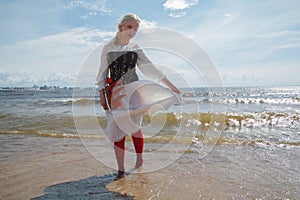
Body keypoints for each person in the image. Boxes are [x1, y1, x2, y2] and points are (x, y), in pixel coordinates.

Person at [96, 14, 181, 180]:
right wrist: (101, 94)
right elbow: (102, 72)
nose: (132, 31)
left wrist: (172, 86)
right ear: (121, 27)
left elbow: (151, 68)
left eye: (135, 29)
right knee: (118, 128)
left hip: (135, 90)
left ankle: (139, 160)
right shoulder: (108, 47)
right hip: (117, 93)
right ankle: (120, 169)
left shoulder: (135, 47)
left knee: (135, 127)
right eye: (129, 27)